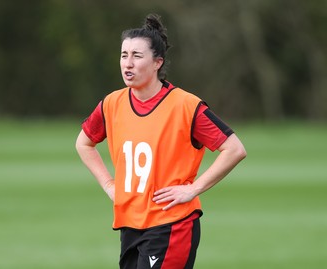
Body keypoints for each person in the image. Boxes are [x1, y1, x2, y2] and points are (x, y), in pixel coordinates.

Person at [75, 13, 246, 269]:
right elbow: (84, 143)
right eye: (124, 55)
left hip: (171, 225)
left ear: (157, 62)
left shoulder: (185, 106)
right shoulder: (112, 104)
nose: (128, 64)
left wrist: (194, 188)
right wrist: (110, 185)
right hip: (130, 224)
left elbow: (234, 149)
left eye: (137, 56)